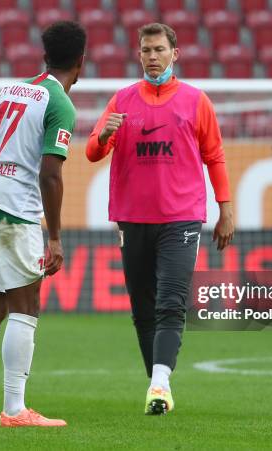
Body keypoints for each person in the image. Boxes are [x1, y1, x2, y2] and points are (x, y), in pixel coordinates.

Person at [86, 23, 234, 415]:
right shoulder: (120, 101)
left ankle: (159, 383)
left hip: (181, 219)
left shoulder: (196, 101)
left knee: (172, 302)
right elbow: (90, 152)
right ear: (139, 55)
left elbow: (214, 156)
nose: (152, 57)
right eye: (146, 50)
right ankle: (160, 386)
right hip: (132, 219)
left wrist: (226, 208)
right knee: (143, 308)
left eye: (159, 50)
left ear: (175, 54)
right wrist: (104, 136)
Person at [0, 21, 86, 427]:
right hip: (15, 209)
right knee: (26, 306)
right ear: (81, 61)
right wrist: (55, 237)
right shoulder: (61, 104)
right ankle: (15, 409)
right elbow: (50, 174)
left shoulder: (9, 90)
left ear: (45, 54)